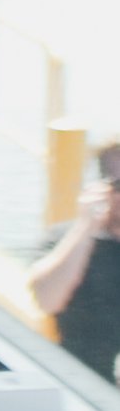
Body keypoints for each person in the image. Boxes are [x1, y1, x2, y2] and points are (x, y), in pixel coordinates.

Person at [29, 143, 120, 379]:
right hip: (83, 383)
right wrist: (85, 227)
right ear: (103, 189)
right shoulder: (68, 241)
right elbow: (47, 299)